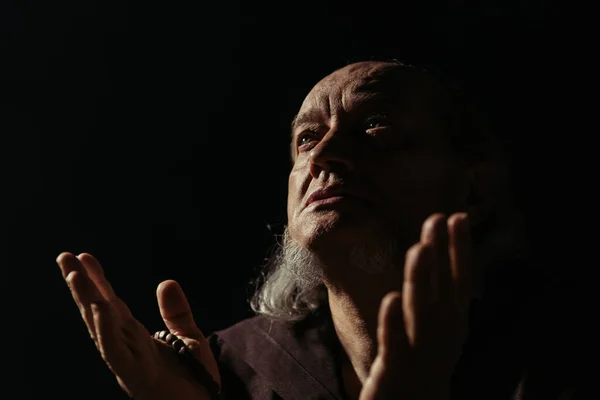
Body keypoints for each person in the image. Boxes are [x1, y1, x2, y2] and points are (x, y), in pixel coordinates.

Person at [56, 60, 536, 400]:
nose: (323, 154)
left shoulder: (556, 350)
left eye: (376, 126)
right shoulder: (229, 368)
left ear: (472, 190)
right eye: (307, 137)